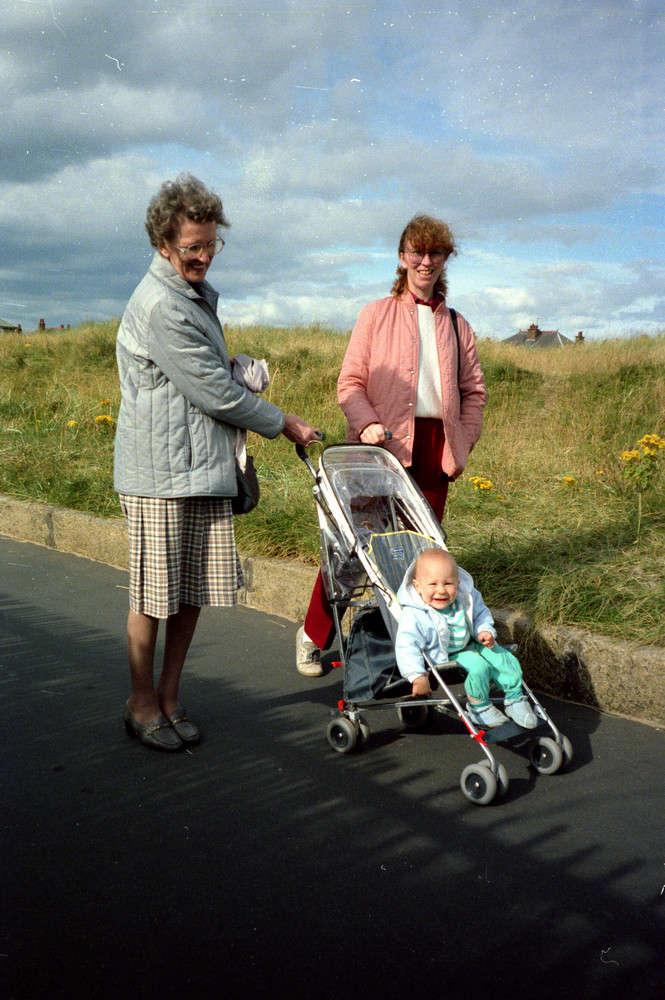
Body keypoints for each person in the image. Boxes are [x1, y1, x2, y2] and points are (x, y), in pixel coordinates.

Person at [114, 173, 319, 751]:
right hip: (159, 475)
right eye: (191, 248)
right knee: (153, 596)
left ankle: (170, 696)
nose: (203, 256)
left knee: (190, 591)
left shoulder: (192, 295)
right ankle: (140, 703)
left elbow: (205, 379)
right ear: (162, 244)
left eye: (210, 245)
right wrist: (283, 421)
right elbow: (214, 393)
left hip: (199, 466)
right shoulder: (163, 304)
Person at [296, 213, 487, 676]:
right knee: (354, 548)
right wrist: (365, 424)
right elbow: (350, 383)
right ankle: (313, 636)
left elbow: (474, 393)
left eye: (435, 253)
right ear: (402, 258)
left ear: (445, 259)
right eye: (417, 252)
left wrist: (460, 446)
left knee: (422, 556)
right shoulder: (375, 314)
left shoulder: (458, 325)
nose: (426, 261)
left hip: (436, 451)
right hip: (377, 451)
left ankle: (412, 657)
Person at [395, 548, 537, 729]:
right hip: (445, 653)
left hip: (470, 642)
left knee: (503, 657)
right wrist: (417, 676)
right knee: (479, 666)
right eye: (432, 584)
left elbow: (480, 614)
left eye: (448, 583)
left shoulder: (465, 597)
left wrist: (483, 630)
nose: (441, 591)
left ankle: (515, 698)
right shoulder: (414, 614)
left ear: (458, 582)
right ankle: (479, 707)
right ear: (417, 587)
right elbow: (407, 645)